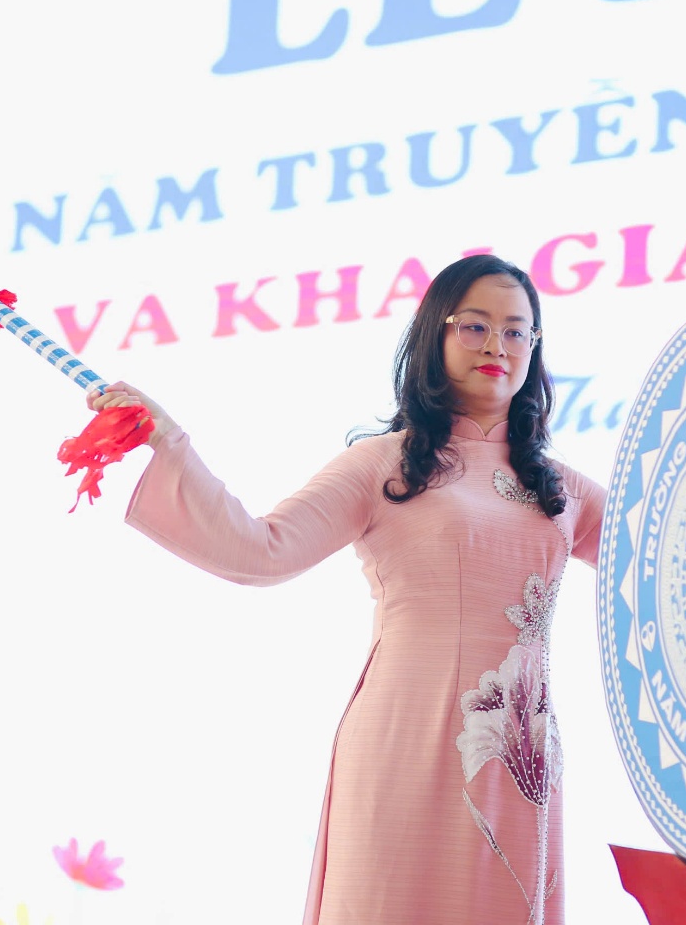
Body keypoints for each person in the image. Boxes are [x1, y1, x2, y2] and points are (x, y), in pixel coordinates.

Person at [90, 254, 605, 925]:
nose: (497, 347)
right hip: (405, 739)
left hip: (520, 758)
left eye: (516, 331)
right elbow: (261, 549)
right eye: (475, 326)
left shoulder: (561, 490)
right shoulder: (384, 466)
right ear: (436, 334)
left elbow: (667, 556)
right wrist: (170, 443)